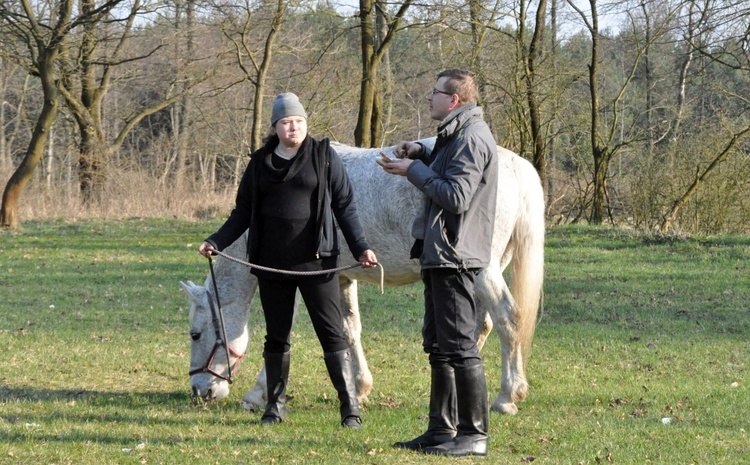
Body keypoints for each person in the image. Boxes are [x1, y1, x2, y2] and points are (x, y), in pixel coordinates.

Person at [198, 92, 378, 429]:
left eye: (297, 121)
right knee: (277, 338)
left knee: (332, 336)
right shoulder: (259, 163)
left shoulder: (324, 157)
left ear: (305, 123)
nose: (293, 127)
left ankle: (350, 407)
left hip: (318, 265)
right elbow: (242, 214)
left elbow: (345, 208)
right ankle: (274, 406)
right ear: (276, 127)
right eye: (286, 122)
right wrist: (215, 240)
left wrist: (362, 247)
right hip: (273, 265)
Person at [378, 69, 498, 456]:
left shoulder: (472, 137)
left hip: (456, 255)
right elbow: (447, 173)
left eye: (435, 92)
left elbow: (457, 196)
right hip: (439, 253)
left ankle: (474, 435)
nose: (429, 98)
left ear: (455, 100)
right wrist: (422, 153)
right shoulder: (454, 136)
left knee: (461, 346)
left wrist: (413, 171)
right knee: (440, 346)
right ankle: (441, 429)